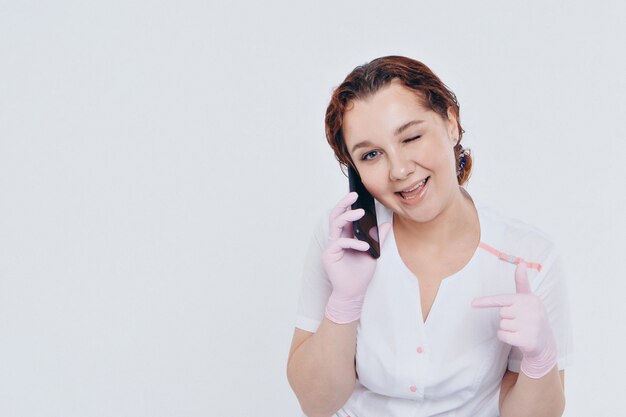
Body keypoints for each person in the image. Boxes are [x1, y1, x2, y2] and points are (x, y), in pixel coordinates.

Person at [286, 56, 574, 417]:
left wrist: (539, 359)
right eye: (371, 154)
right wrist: (345, 302)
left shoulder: (529, 256)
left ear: (451, 123)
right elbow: (316, 403)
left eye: (411, 137)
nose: (400, 170)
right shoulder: (345, 239)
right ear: (355, 171)